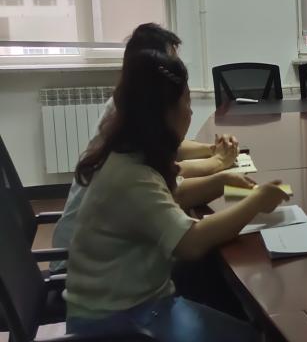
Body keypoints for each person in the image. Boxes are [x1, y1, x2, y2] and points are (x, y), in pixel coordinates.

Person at [65, 48, 290, 342]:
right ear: (162, 114)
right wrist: (255, 202)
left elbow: (171, 197)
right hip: (116, 334)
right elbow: (189, 242)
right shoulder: (131, 175)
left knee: (237, 334)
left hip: (124, 312)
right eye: (186, 102)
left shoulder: (129, 158)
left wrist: (222, 181)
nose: (189, 111)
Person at [52, 23, 243, 251]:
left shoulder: (131, 114)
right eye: (170, 61)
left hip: (101, 252)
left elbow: (170, 164)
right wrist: (220, 166)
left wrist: (212, 152)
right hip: (77, 254)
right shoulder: (130, 162)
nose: (174, 68)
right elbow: (183, 222)